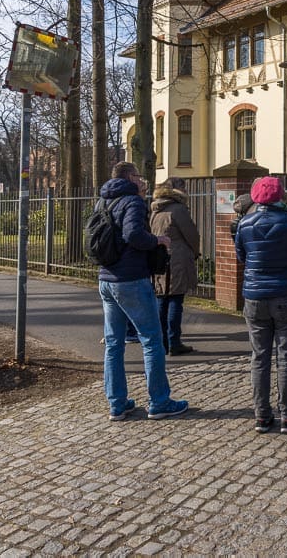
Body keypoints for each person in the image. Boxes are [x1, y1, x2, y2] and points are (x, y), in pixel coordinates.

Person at [96, 162, 190, 422]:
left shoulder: (102, 201)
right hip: (131, 279)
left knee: (113, 344)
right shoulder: (133, 202)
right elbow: (133, 235)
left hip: (106, 279)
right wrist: (158, 240)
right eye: (138, 175)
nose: (142, 180)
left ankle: (117, 404)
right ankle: (159, 401)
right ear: (129, 177)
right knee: (152, 340)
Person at [236, 175, 287, 434]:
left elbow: (241, 256)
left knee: (260, 357)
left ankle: (261, 414)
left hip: (255, 297)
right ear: (280, 196)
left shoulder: (244, 223)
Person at [150, 177, 201, 356]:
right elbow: (192, 235)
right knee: (175, 301)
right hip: (176, 259)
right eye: (183, 187)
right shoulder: (178, 209)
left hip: (159, 259)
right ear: (176, 189)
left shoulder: (155, 209)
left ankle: (162, 342)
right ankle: (174, 342)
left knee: (161, 301)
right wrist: (195, 252)